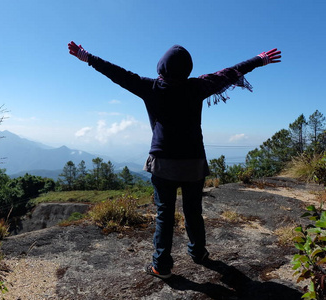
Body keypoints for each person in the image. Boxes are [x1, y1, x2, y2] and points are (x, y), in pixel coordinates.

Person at [68, 41, 281, 279]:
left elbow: (118, 73)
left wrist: (88, 57)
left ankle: (162, 266)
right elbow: (231, 71)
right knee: (193, 212)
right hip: (194, 163)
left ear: (161, 66)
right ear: (187, 68)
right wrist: (259, 59)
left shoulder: (151, 87)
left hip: (164, 163)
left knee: (164, 215)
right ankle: (198, 253)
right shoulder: (199, 86)